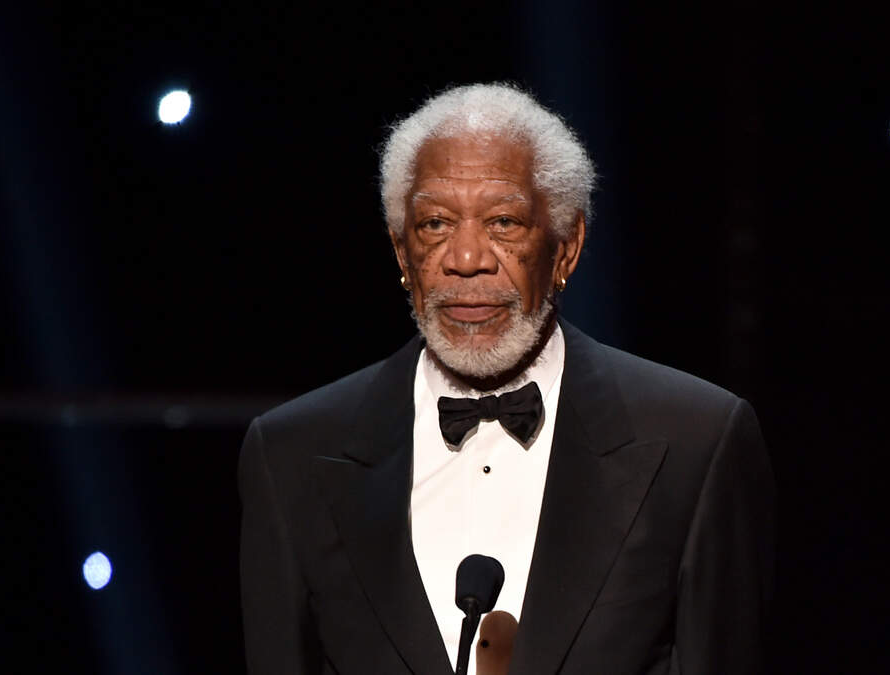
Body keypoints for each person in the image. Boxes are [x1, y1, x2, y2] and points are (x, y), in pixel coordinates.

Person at [239, 83, 775, 675]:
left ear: (566, 249)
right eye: (435, 223)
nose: (466, 259)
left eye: (503, 222)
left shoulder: (697, 441)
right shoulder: (290, 455)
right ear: (401, 253)